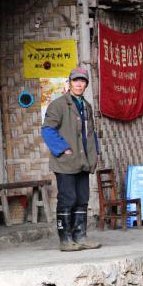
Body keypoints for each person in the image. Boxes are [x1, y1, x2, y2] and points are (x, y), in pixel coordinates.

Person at [41, 67, 101, 252]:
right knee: (68, 199)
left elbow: (90, 133)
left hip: (84, 161)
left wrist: (95, 153)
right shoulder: (58, 105)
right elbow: (47, 130)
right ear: (69, 83)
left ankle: (80, 237)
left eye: (82, 81)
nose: (79, 84)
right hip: (66, 161)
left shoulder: (87, 106)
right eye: (76, 81)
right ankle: (66, 240)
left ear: (86, 85)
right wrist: (62, 148)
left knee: (82, 198)